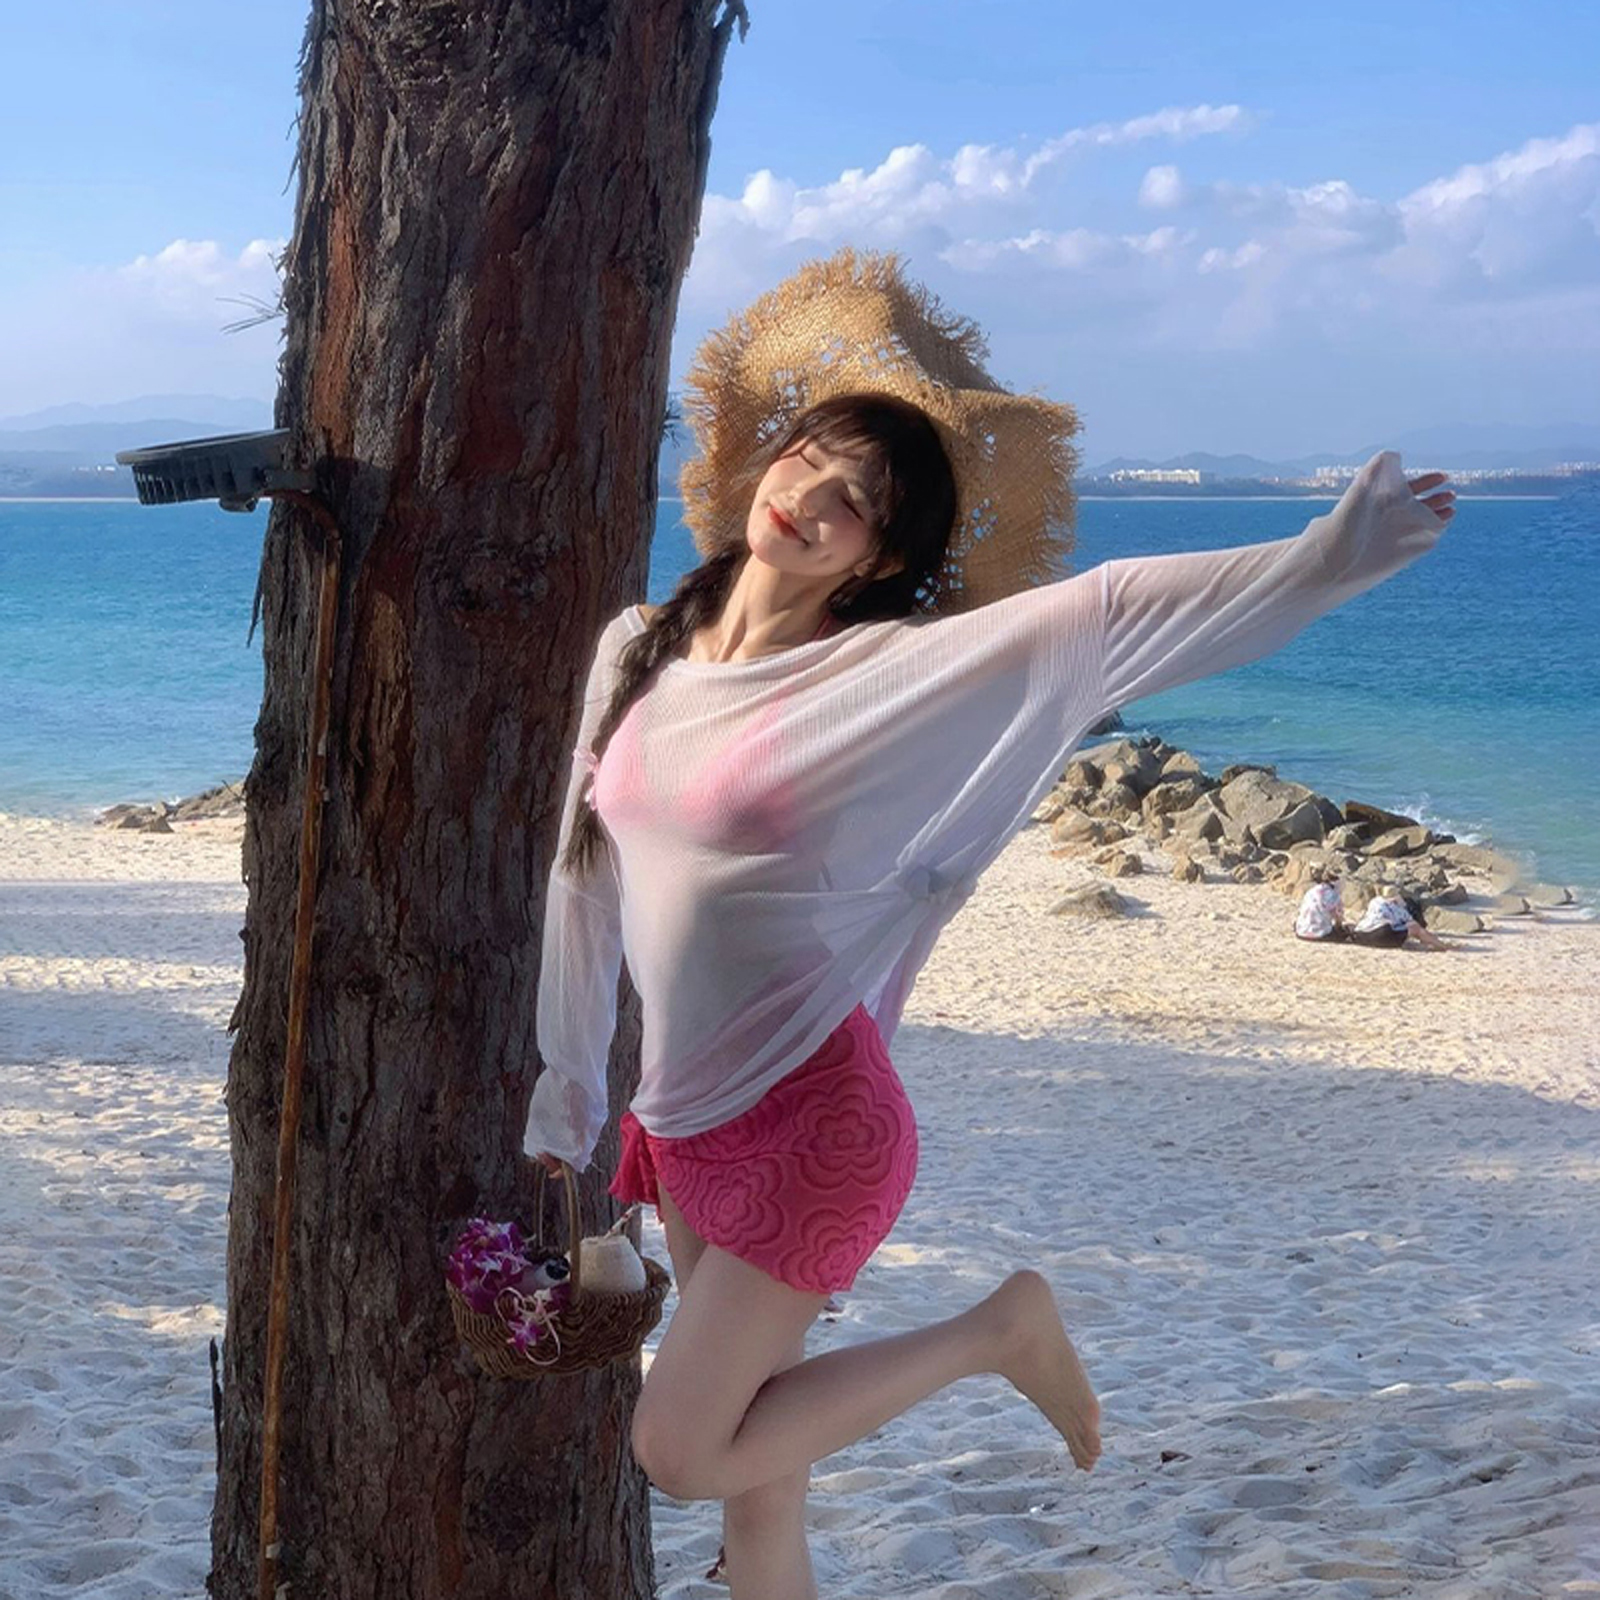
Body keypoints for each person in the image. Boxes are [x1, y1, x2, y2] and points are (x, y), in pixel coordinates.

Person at [522, 247, 1455, 1598]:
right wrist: (567, 1088)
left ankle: (997, 1333)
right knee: (760, 1500)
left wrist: (1324, 556)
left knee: (679, 1451)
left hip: (810, 1119)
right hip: (679, 1122)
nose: (812, 499)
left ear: (884, 556)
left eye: (856, 503)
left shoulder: (873, 672)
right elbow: (582, 877)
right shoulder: (636, 649)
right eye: (810, 461)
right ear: (767, 460)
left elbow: (1099, 616)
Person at [1351, 885, 1453, 950]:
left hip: (1361, 935)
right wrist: (1403, 905)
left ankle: (1431, 941)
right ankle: (1441, 946)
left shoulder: (1375, 901)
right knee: (1415, 928)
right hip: (1381, 935)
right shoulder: (1395, 906)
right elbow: (1409, 921)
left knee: (1404, 927)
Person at [1294, 866, 1351, 942]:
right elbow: (1338, 919)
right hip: (1319, 933)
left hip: (1301, 931)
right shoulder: (1334, 896)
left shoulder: (1312, 891)